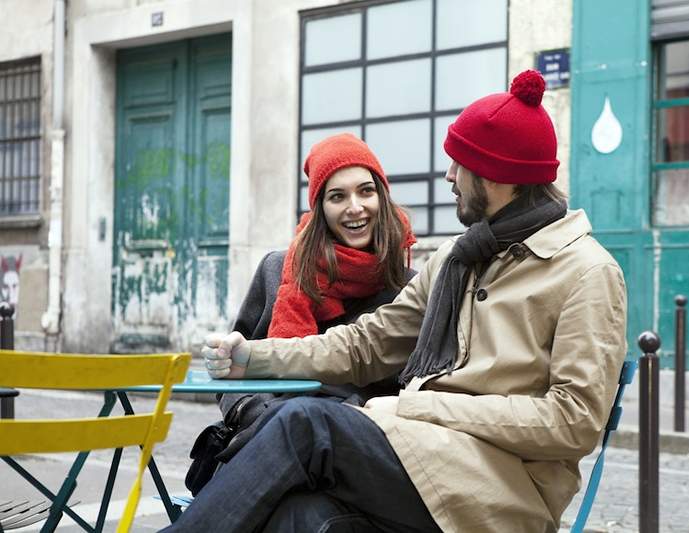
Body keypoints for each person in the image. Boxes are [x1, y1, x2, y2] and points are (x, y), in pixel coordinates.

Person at [166, 70, 628, 533]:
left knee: (307, 424)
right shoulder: (458, 258)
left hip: (506, 490)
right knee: (300, 516)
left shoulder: (587, 272)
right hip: (426, 460)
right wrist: (256, 357)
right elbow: (368, 343)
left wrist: (412, 406)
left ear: (498, 175)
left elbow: (574, 420)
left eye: (460, 164)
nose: (449, 175)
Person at [184, 133, 416, 494]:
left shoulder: (409, 289)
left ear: (382, 198)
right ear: (320, 208)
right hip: (264, 445)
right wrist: (268, 420)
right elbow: (231, 381)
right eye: (337, 196)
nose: (355, 207)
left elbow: (413, 388)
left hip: (352, 462)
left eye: (365, 191)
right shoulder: (278, 271)